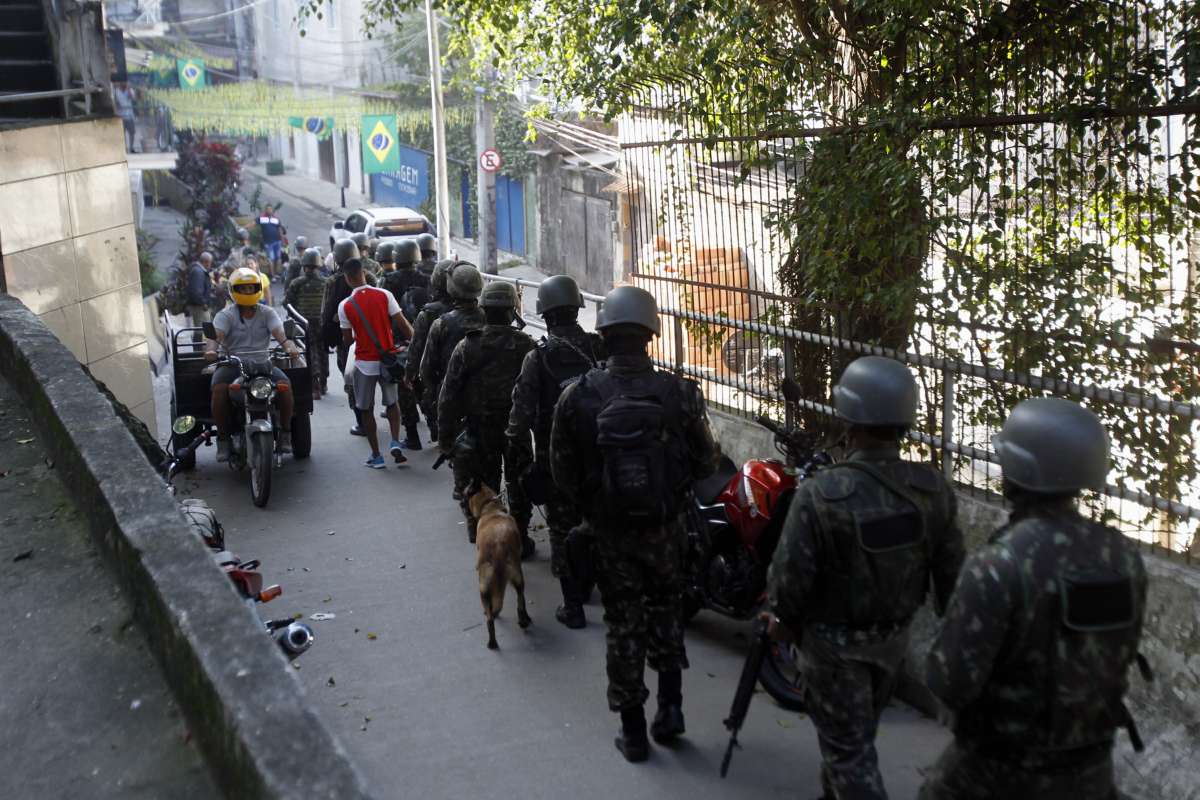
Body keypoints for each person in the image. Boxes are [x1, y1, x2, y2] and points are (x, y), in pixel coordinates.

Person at [918, 398, 1147, 800]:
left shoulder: (999, 563)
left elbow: (948, 681)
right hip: (1091, 768)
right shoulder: (1123, 556)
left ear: (1018, 471)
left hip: (1001, 773)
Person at [766, 355, 965, 800]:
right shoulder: (932, 491)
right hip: (893, 642)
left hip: (833, 650)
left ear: (849, 419)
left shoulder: (823, 494)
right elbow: (954, 583)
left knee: (849, 753)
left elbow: (789, 576)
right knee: (852, 737)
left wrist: (781, 620)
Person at [550, 285, 720, 763]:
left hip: (610, 534)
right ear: (650, 335)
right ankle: (671, 712)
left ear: (603, 335)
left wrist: (596, 504)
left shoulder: (578, 397)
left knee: (624, 624)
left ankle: (633, 733)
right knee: (666, 614)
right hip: (666, 531)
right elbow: (707, 465)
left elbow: (561, 472)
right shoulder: (679, 393)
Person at [506, 274, 605, 628]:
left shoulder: (539, 357)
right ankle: (597, 581)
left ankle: (573, 606)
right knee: (597, 517)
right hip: (601, 449)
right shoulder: (597, 346)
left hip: (557, 455)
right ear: (577, 308)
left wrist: (518, 454)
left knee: (562, 527)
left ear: (545, 314)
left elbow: (520, 415)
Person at [438, 282, 535, 548]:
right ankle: (520, 537)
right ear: (511, 310)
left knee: (483, 485)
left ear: (485, 309)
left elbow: (448, 396)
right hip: (516, 428)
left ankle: (485, 533)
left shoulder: (467, 346)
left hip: (480, 429)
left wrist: (445, 438)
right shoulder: (525, 344)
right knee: (519, 484)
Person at [205, 268, 301, 461]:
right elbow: (217, 337)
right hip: (232, 365)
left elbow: (281, 336)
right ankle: (223, 439)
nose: (248, 292)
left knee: (285, 387)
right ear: (234, 290)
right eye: (244, 288)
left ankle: (285, 434)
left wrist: (290, 346)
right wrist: (211, 350)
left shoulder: (267, 312)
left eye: (252, 288)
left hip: (262, 364)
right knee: (218, 389)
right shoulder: (226, 315)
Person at [338, 259, 414, 469]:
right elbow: (404, 325)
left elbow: (347, 341)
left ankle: (376, 456)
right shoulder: (384, 295)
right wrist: (416, 346)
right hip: (387, 360)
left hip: (364, 363)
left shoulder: (345, 305)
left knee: (365, 408)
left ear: (347, 277)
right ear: (363, 273)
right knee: (392, 403)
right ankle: (395, 441)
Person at [419, 262, 485, 441]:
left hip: (454, 401)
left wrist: (434, 395)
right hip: (491, 400)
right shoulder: (492, 318)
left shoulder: (441, 324)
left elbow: (426, 369)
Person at [320, 239, 376, 435]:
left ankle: (362, 422)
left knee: (352, 380)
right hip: (373, 337)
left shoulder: (332, 281)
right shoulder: (370, 276)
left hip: (347, 339)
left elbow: (326, 313)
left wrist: (326, 338)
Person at [379, 239, 430, 449]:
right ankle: (434, 427)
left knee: (405, 386)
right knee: (424, 383)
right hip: (425, 336)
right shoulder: (426, 279)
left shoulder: (388, 281)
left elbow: (383, 311)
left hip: (400, 340)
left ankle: (412, 437)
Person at [405, 259, 455, 442]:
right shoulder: (480, 311)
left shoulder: (428, 313)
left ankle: (430, 428)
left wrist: (409, 373)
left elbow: (416, 348)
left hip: (436, 376)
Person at [284, 247, 330, 399]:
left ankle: (315, 386)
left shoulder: (297, 283)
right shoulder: (326, 282)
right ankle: (323, 383)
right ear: (318, 265)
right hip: (322, 323)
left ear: (304, 266)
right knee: (322, 351)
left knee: (310, 353)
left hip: (305, 324)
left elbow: (287, 303)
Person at [186, 252, 214, 343]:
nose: (210, 265)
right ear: (206, 262)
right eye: (210, 263)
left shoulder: (198, 271)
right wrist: (203, 303)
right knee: (201, 331)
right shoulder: (198, 272)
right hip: (199, 307)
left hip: (199, 306)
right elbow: (196, 291)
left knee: (202, 330)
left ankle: (201, 350)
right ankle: (198, 352)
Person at [257, 205, 286, 277]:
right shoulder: (262, 218)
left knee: (277, 258)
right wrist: (244, 227)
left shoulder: (276, 219)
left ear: (272, 210)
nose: (269, 210)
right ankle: (272, 275)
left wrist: (283, 241)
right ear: (265, 210)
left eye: (270, 209)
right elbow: (253, 223)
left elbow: (280, 230)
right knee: (271, 258)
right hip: (268, 243)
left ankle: (275, 273)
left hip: (277, 242)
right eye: (268, 209)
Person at [113, 82, 137, 152]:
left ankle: (131, 148)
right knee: (122, 134)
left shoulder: (130, 90)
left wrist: (129, 89)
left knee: (132, 132)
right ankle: (123, 148)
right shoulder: (115, 91)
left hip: (129, 116)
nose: (124, 83)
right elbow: (115, 103)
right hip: (120, 117)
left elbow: (133, 99)